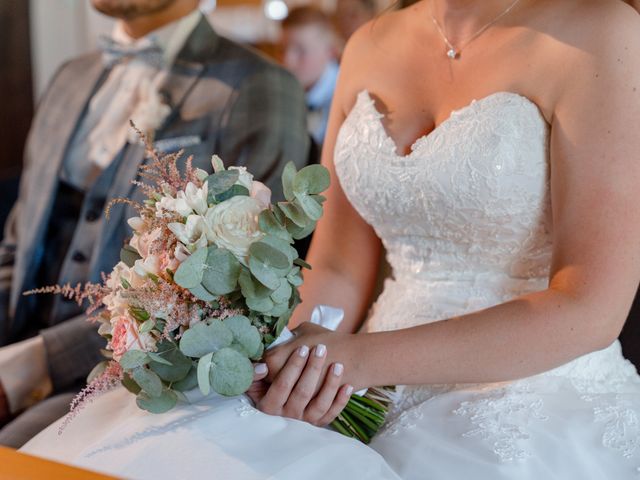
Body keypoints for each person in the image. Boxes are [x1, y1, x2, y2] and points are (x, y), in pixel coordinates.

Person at [23, 0, 640, 478]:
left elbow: (589, 308)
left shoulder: (602, 31)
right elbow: (339, 268)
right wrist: (272, 352)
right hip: (351, 371)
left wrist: (358, 359)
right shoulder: (370, 44)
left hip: (530, 384)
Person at [0, 0, 313, 448]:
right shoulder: (69, 78)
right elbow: (18, 244)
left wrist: (31, 366)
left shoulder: (258, 87)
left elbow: (238, 293)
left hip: (130, 380)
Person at [281, 7, 340, 146]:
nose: (287, 60)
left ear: (331, 51)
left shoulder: (346, 95)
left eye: (300, 50)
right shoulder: (285, 90)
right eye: (282, 49)